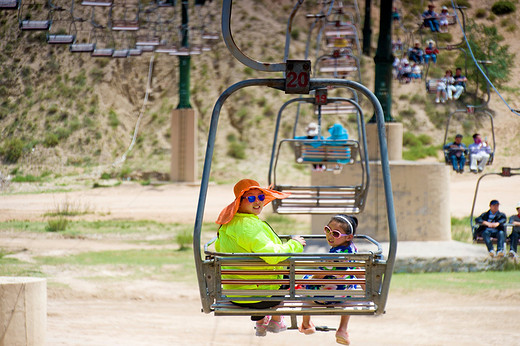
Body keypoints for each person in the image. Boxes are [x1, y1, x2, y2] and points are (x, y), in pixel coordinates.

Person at [215, 179, 306, 336]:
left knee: (272, 274)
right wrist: (295, 244)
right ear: (240, 202)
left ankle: (262, 320)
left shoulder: (228, 225)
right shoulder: (250, 226)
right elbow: (272, 256)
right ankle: (276, 319)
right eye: (251, 198)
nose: (257, 202)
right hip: (261, 297)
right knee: (290, 277)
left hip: (235, 295)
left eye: (261, 197)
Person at [298, 214, 361, 345]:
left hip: (323, 296)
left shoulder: (331, 258)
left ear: (348, 236)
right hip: (344, 296)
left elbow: (318, 276)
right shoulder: (353, 249)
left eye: (336, 234)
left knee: (305, 280)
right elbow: (359, 272)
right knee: (352, 284)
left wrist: (309, 278)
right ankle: (342, 329)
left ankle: (306, 323)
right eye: (327, 230)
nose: (330, 235)